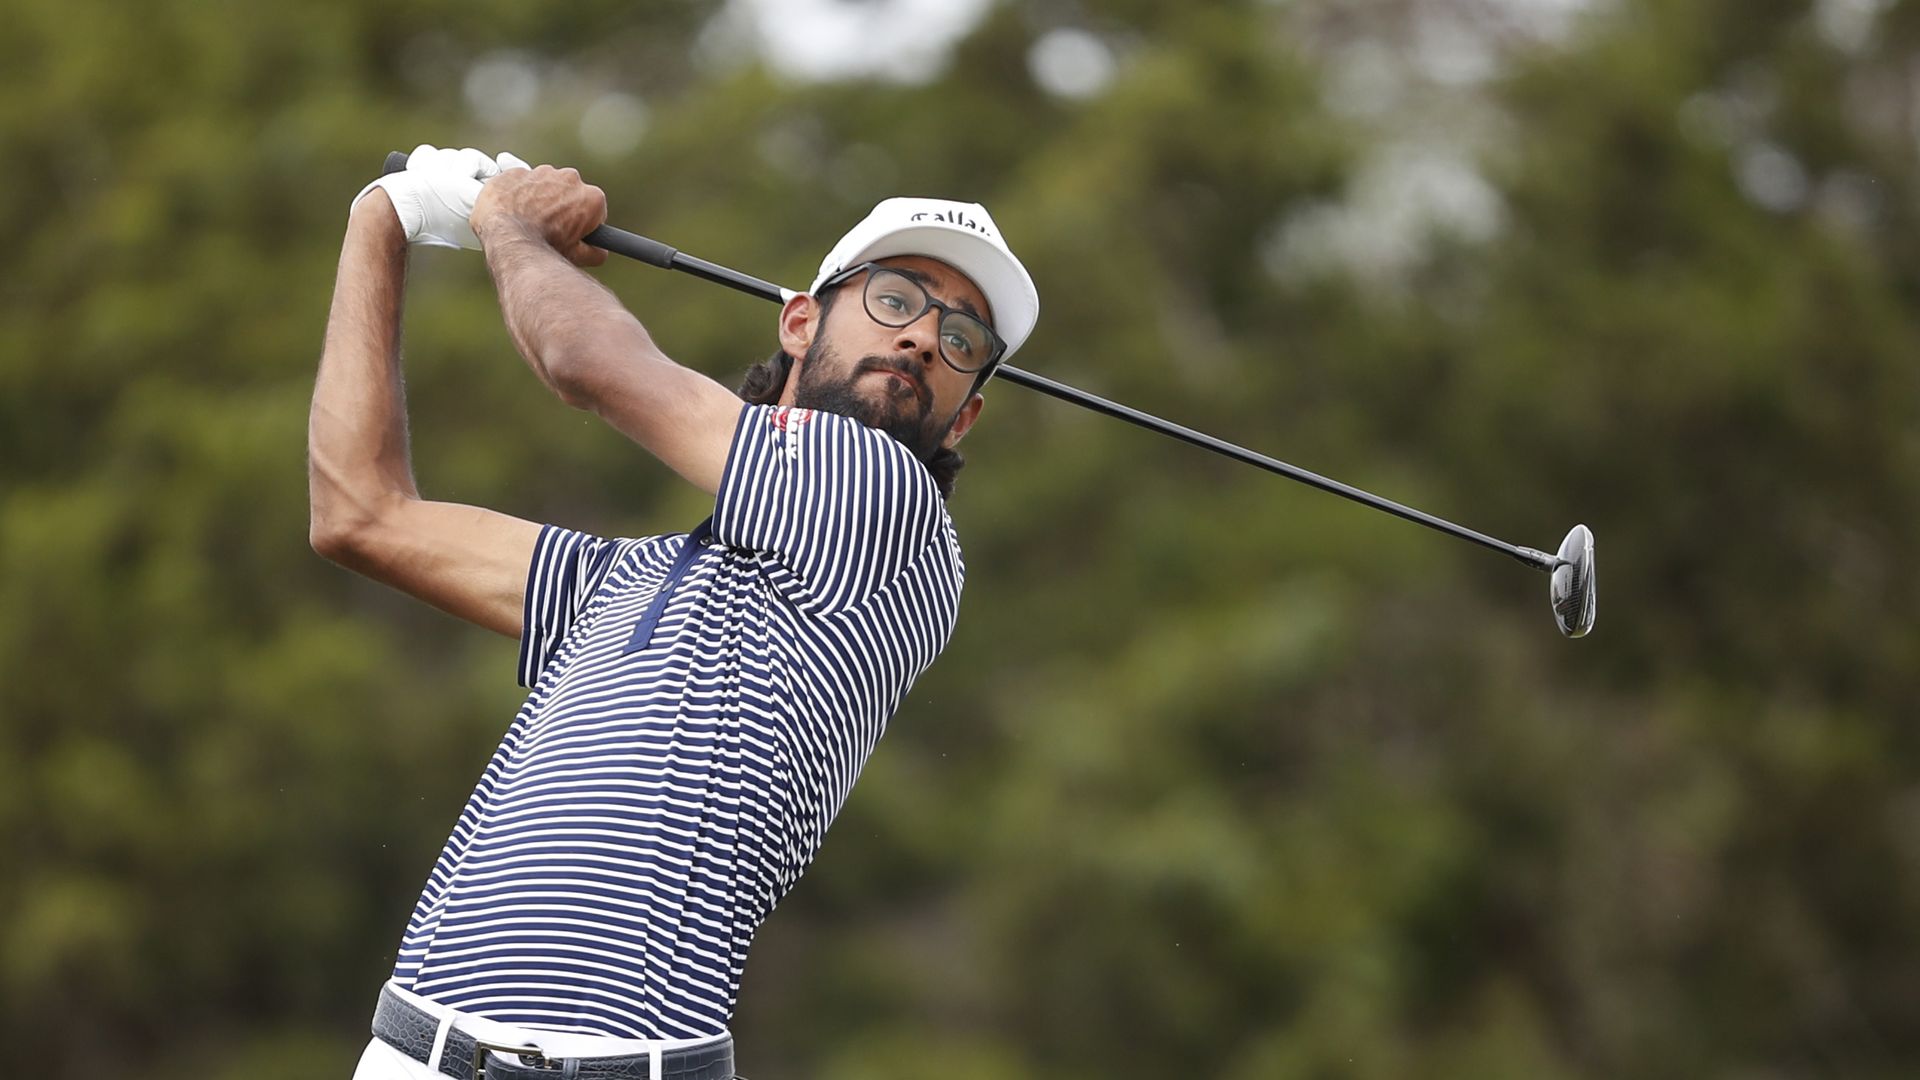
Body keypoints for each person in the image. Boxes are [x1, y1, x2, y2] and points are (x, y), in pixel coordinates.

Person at [309, 147, 1039, 1079]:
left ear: (964, 418)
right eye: (897, 298)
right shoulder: (630, 579)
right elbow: (361, 515)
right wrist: (382, 218)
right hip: (417, 1049)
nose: (925, 341)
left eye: (965, 340)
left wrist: (507, 222)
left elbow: (584, 361)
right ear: (801, 319)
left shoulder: (887, 505)